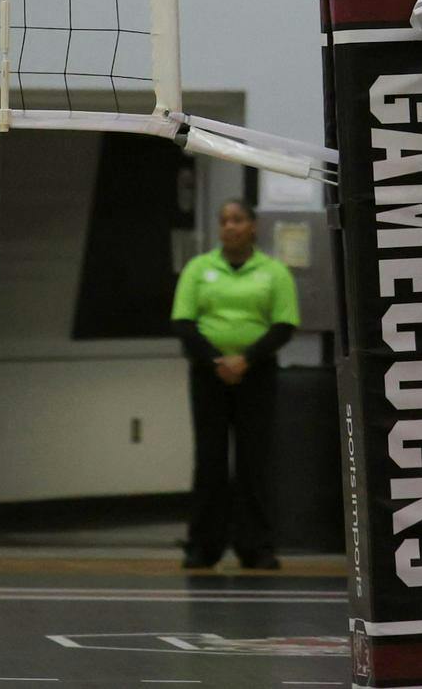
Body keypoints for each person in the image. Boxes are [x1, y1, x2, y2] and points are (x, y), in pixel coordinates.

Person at [172, 198, 299, 571]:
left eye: (238, 220)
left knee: (253, 461)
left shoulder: (273, 271)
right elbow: (182, 321)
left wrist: (245, 359)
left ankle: (255, 546)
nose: (230, 226)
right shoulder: (199, 268)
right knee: (210, 460)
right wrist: (217, 360)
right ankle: (203, 546)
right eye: (224, 220)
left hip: (256, 374)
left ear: (253, 227)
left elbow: (284, 324)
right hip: (208, 375)